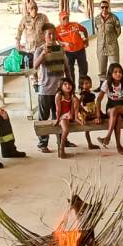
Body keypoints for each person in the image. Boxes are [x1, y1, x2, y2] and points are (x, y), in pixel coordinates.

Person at [33, 23, 70, 153]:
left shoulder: (60, 49)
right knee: (44, 117)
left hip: (60, 90)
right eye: (49, 34)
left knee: (60, 116)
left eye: (54, 33)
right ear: (44, 36)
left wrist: (70, 82)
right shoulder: (39, 50)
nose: (52, 36)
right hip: (45, 90)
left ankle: (62, 140)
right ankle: (42, 143)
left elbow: (66, 67)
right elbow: (35, 66)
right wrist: (43, 54)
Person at [94, 63, 123, 155]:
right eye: (115, 72)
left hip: (122, 107)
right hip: (110, 107)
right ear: (110, 74)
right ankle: (119, 147)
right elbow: (98, 100)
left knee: (115, 111)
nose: (118, 74)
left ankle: (107, 137)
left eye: (120, 72)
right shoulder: (107, 83)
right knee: (117, 118)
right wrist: (98, 115)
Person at [55, 10, 90, 81]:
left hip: (80, 50)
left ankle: (82, 87)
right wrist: (64, 44)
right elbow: (57, 41)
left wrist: (86, 40)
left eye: (67, 17)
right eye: (64, 18)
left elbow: (84, 30)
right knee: (69, 71)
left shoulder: (75, 24)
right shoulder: (57, 29)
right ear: (59, 20)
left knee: (83, 69)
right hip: (68, 52)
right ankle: (72, 89)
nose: (66, 20)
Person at [93, 0, 122, 84]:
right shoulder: (97, 19)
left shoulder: (114, 18)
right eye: (102, 7)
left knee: (115, 66)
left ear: (108, 8)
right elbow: (97, 30)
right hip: (101, 47)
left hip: (112, 46)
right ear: (100, 8)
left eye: (106, 7)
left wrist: (111, 39)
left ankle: (115, 84)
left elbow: (118, 31)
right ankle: (102, 84)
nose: (104, 9)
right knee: (102, 67)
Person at [15, 1, 49, 68]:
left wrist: (48, 43)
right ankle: (33, 78)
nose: (34, 9)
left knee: (42, 68)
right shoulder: (25, 19)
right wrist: (17, 42)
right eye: (32, 8)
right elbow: (19, 30)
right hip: (30, 49)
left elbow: (48, 29)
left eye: (35, 7)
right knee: (32, 69)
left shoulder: (43, 17)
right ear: (28, 10)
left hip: (41, 47)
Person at [54, 78, 80, 159]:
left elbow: (76, 105)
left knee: (75, 99)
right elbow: (58, 109)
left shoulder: (72, 95)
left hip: (71, 115)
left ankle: (76, 118)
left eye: (69, 84)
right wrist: (58, 120)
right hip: (63, 116)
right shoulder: (59, 95)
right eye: (65, 84)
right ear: (61, 86)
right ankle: (62, 148)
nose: (68, 86)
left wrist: (74, 116)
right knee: (66, 130)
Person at [76, 76, 101, 151]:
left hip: (92, 110)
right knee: (86, 129)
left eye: (89, 83)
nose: (89, 85)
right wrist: (83, 111)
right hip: (86, 112)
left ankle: (90, 143)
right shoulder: (82, 94)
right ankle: (89, 143)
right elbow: (78, 104)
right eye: (86, 83)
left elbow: (94, 103)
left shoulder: (91, 92)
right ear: (81, 85)